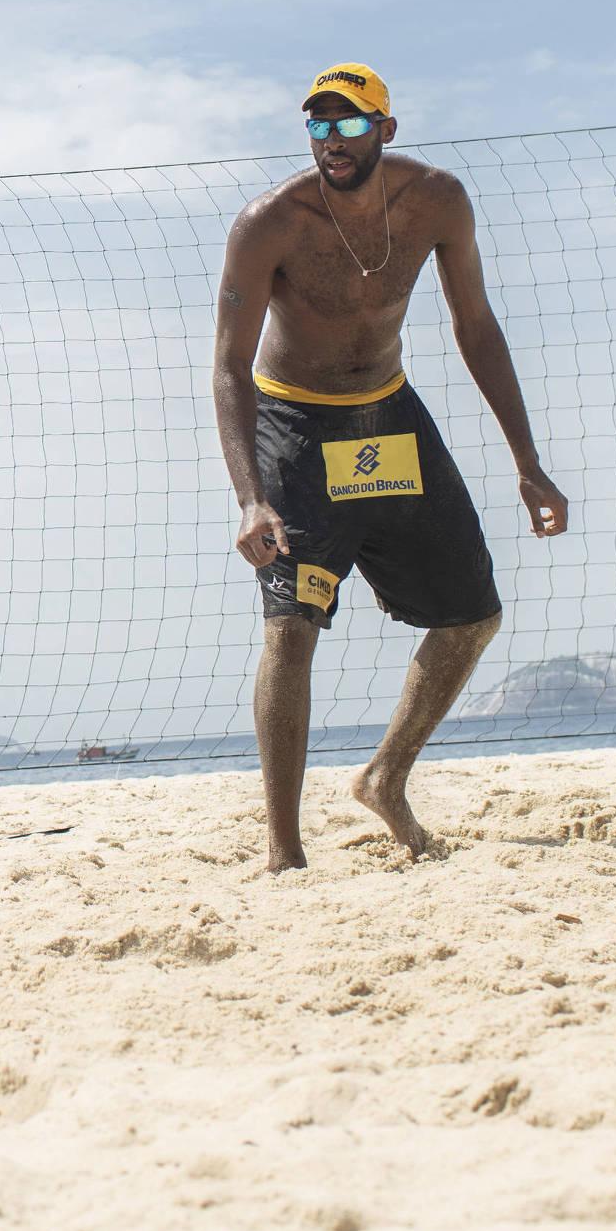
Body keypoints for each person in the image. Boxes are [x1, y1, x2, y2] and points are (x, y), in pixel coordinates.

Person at [213, 63, 569, 872]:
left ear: (386, 128)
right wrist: (250, 497)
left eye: (347, 125)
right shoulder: (269, 223)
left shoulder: (437, 200)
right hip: (295, 429)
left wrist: (528, 462)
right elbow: (230, 364)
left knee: (472, 616)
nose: (331, 142)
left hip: (387, 415)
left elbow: (474, 325)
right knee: (291, 627)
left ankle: (385, 778)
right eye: (317, 127)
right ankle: (284, 852)